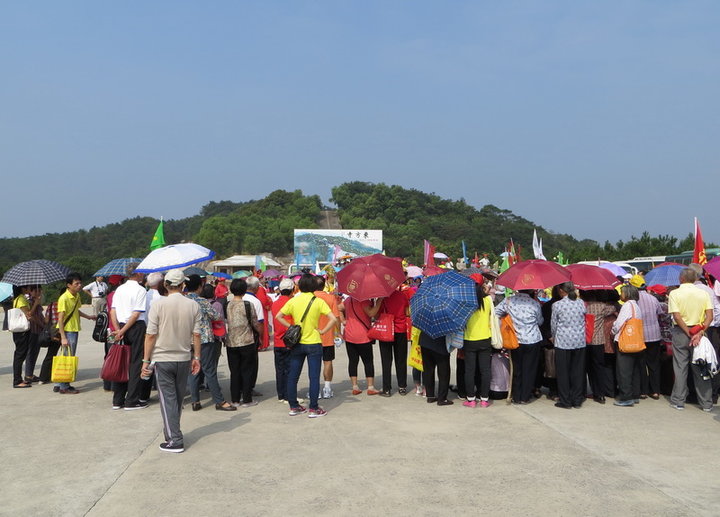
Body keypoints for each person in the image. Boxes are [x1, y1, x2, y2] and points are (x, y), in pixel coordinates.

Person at [141, 269, 202, 453]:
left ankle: (175, 439)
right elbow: (197, 334)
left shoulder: (158, 306)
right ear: (183, 284)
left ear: (166, 285)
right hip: (183, 358)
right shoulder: (193, 305)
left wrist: (145, 360)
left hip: (163, 358)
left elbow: (150, 335)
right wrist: (197, 357)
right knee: (177, 399)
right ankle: (172, 432)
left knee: (168, 400)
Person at [276, 274, 338, 418]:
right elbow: (333, 318)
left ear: (299, 286)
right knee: (314, 376)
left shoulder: (294, 300)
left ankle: (294, 406)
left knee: (293, 376)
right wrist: (322, 330)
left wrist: (292, 326)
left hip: (298, 343)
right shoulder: (318, 301)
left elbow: (279, 316)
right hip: (314, 342)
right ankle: (314, 408)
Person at [186, 275, 234, 412]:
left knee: (193, 370)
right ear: (199, 287)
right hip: (204, 339)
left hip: (187, 340)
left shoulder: (183, 301)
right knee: (209, 370)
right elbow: (216, 315)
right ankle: (219, 401)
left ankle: (195, 401)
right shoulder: (202, 302)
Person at [668, 268, 714, 411]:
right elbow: (710, 316)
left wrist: (688, 332)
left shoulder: (674, 293)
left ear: (681, 279)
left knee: (680, 367)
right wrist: (699, 332)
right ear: (695, 279)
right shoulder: (703, 293)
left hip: (681, 332)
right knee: (700, 367)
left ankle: (679, 400)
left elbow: (676, 316)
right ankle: (706, 402)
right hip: (699, 332)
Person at [109, 264, 148, 409]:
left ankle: (117, 400)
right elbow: (136, 313)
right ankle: (132, 400)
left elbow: (113, 311)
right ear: (138, 274)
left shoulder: (119, 289)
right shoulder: (140, 290)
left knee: (122, 361)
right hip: (135, 327)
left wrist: (119, 330)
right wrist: (123, 330)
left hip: (120, 325)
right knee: (136, 363)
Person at [496, 289, 544, 404]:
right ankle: (525, 397)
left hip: (515, 340)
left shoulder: (509, 301)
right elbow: (540, 321)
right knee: (529, 369)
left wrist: (506, 321)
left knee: (517, 369)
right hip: (532, 339)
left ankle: (516, 396)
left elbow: (496, 312)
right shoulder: (535, 303)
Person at [56, 273, 96, 394]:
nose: (79, 285)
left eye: (80, 283)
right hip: (68, 331)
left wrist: (88, 317)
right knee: (68, 358)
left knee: (65, 356)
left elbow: (76, 311)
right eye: (76, 283)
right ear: (69, 285)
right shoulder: (64, 298)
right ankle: (64, 386)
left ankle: (60, 383)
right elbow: (60, 318)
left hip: (74, 329)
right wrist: (63, 337)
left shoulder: (76, 296)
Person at [226, 279, 263, 408]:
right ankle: (247, 399)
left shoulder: (227, 305)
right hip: (247, 341)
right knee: (247, 371)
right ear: (243, 290)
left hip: (231, 342)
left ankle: (235, 399)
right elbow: (255, 323)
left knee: (234, 371)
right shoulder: (247, 305)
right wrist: (261, 334)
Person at [551, 282, 587, 409]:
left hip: (563, 342)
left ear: (561, 290)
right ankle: (577, 400)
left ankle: (565, 400)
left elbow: (554, 325)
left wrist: (553, 337)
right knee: (577, 371)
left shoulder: (557, 305)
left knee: (563, 372)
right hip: (579, 341)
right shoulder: (580, 303)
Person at [338, 295, 382, 396]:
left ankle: (355, 386)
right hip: (363, 335)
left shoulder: (349, 299)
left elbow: (339, 308)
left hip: (349, 334)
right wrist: (379, 301)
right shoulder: (364, 300)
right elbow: (371, 313)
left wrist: (343, 321)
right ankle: (370, 387)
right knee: (368, 361)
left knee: (353, 361)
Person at [611, 285, 645, 407]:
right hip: (636, 341)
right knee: (634, 370)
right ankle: (635, 394)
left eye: (622, 292)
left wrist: (613, 330)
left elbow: (619, 323)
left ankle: (626, 397)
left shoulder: (627, 306)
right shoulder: (636, 306)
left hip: (626, 342)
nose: (621, 295)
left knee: (624, 371)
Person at [462, 282, 494, 408]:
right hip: (485, 338)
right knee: (485, 370)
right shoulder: (488, 301)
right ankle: (484, 399)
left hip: (470, 340)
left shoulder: (466, 303)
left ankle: (471, 399)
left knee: (469, 371)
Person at [582, 290, 617, 404]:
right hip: (598, 342)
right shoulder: (602, 306)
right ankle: (600, 394)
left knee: (585, 368)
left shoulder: (582, 305)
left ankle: (582, 392)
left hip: (584, 341)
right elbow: (613, 308)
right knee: (598, 367)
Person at [378, 287, 410, 397]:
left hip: (386, 330)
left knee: (386, 360)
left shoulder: (382, 297)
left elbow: (377, 314)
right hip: (400, 330)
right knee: (401, 359)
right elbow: (407, 312)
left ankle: (386, 389)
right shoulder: (402, 295)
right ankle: (402, 387)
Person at [314, 276, 341, 399]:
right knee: (328, 361)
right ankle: (327, 388)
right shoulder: (330, 298)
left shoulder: (310, 297)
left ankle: (315, 389)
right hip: (328, 335)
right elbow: (336, 317)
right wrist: (338, 332)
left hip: (312, 336)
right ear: (324, 284)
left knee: (313, 363)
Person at [10, 285, 42, 388]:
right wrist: (36, 304)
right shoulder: (21, 299)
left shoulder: (18, 299)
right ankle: (17, 380)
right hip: (21, 332)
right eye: (27, 287)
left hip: (19, 331)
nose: (28, 289)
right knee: (20, 355)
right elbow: (29, 314)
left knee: (20, 354)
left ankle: (18, 379)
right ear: (22, 289)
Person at [636, 282, 663, 400]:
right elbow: (660, 314)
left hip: (640, 335)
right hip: (654, 335)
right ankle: (655, 391)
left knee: (641, 364)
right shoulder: (653, 299)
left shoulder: (634, 301)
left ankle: (643, 391)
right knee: (654, 364)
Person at [270, 278, 295, 402]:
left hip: (277, 340)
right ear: (292, 290)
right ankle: (289, 394)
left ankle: (281, 394)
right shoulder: (292, 303)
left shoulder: (275, 303)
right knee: (290, 370)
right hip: (289, 341)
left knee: (279, 370)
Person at [419, 330, 452, 405]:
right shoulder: (444, 318)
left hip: (425, 341)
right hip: (440, 343)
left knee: (428, 370)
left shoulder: (426, 318)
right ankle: (442, 398)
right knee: (444, 372)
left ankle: (430, 396)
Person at [23, 285, 45, 384]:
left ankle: (30, 374)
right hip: (33, 330)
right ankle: (28, 375)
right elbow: (31, 315)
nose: (38, 293)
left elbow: (40, 315)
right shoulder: (30, 302)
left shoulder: (38, 302)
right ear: (30, 292)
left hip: (38, 330)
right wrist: (41, 324)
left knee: (35, 352)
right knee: (31, 352)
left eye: (39, 291)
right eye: (35, 291)